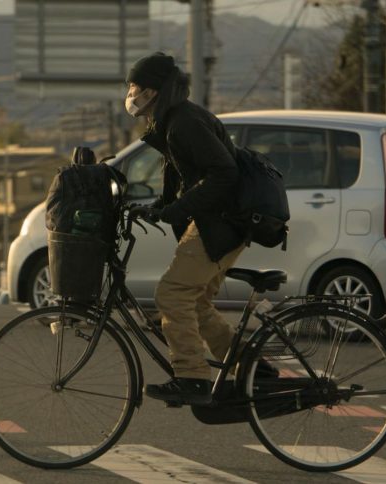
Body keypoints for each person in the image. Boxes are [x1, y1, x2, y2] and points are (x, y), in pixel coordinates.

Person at [125, 52, 246, 406]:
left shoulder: (184, 122)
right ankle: (253, 368)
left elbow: (224, 173)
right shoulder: (173, 120)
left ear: (154, 91)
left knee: (172, 295)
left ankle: (192, 377)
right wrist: (159, 208)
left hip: (221, 222)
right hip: (224, 221)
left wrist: (177, 209)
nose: (131, 93)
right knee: (196, 302)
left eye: (136, 86)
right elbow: (183, 179)